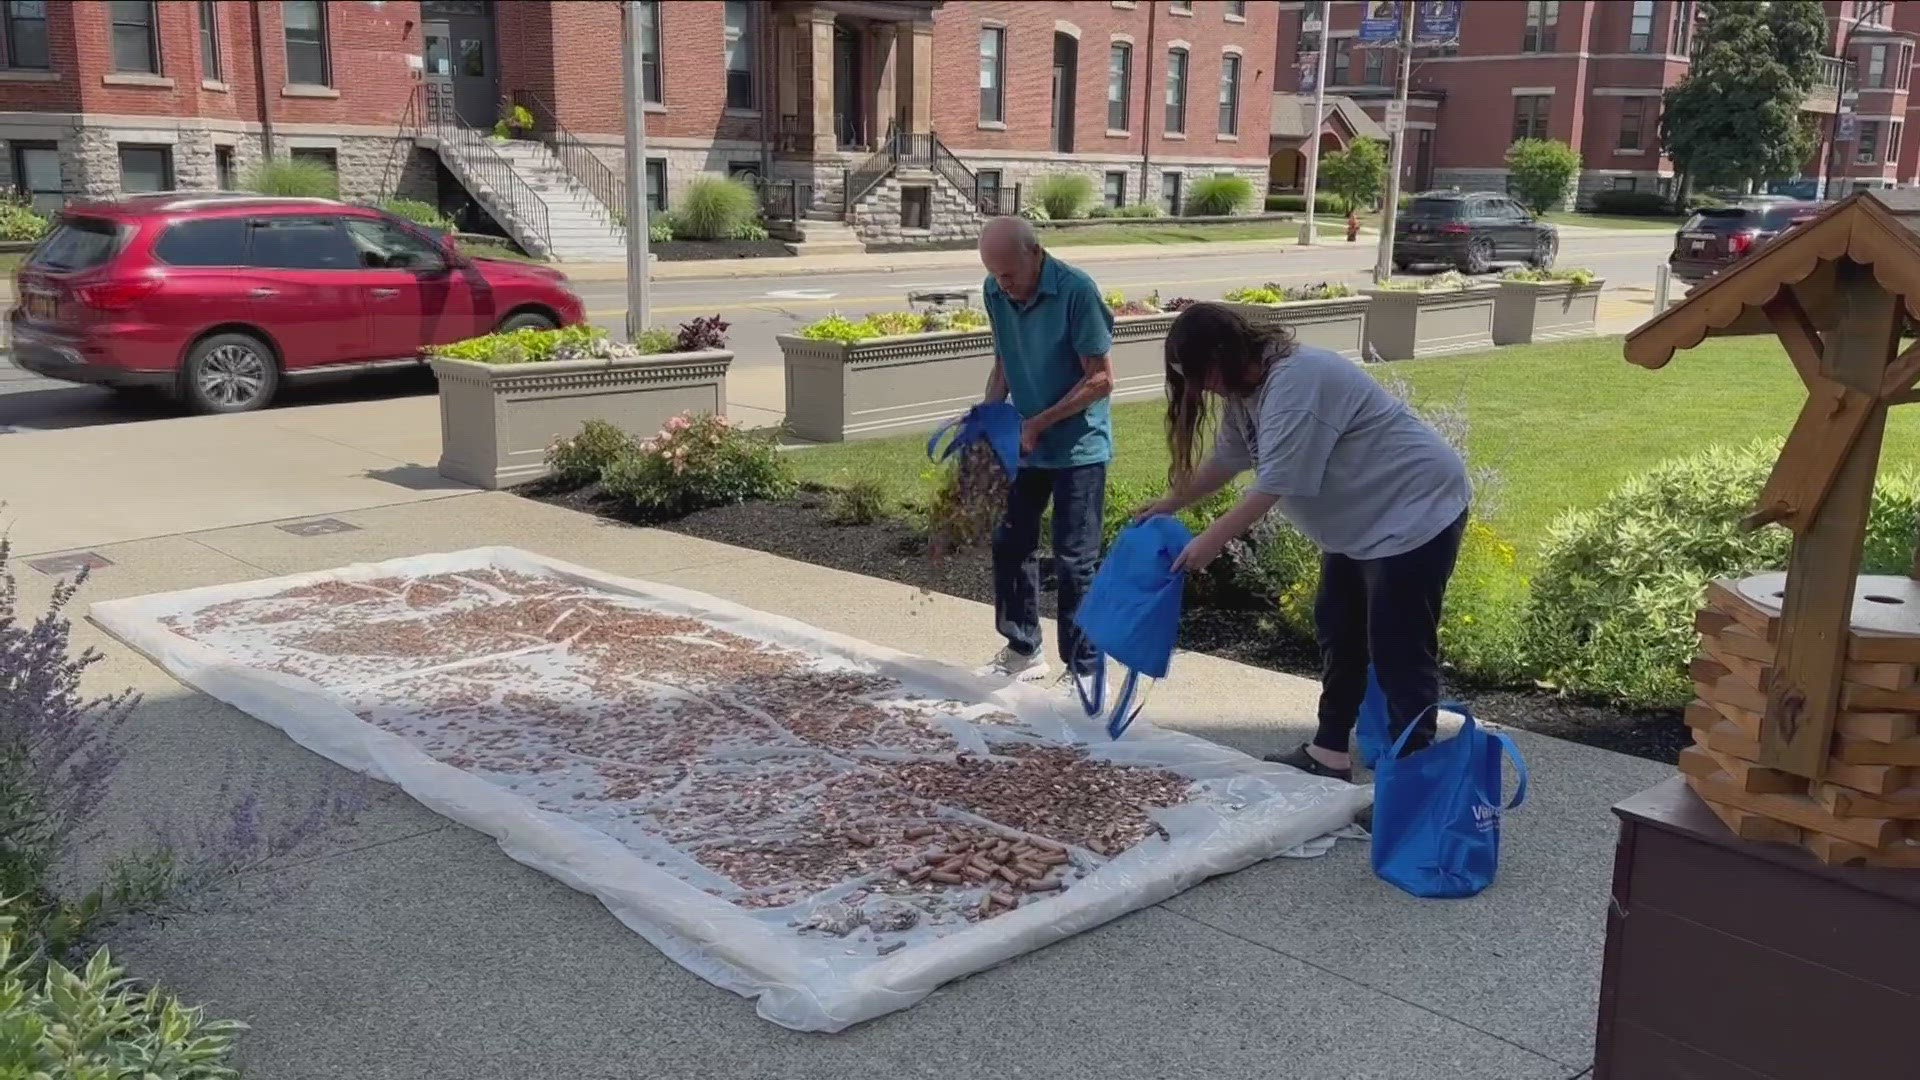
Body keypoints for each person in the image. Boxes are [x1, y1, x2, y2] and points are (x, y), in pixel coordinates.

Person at [1134, 303, 1471, 781]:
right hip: (1359, 528)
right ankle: (1329, 753)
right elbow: (1228, 460)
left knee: (1400, 650)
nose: (1200, 387)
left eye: (1202, 373)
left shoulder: (1298, 381)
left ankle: (1415, 785)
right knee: (1339, 632)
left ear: (1227, 353)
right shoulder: (1245, 390)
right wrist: (1170, 502)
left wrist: (1209, 541)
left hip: (1415, 511)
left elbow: (1274, 482)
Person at [974, 215, 1115, 688]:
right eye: (994, 274)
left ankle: (1086, 671)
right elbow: (1004, 362)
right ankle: (1023, 649)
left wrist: (1040, 422)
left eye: (1009, 274)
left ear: (1035, 253)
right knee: (1010, 543)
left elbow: (1101, 379)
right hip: (1026, 443)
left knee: (1076, 560)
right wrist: (986, 418)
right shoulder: (996, 292)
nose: (1002, 283)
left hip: (1078, 448)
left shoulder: (1077, 291)